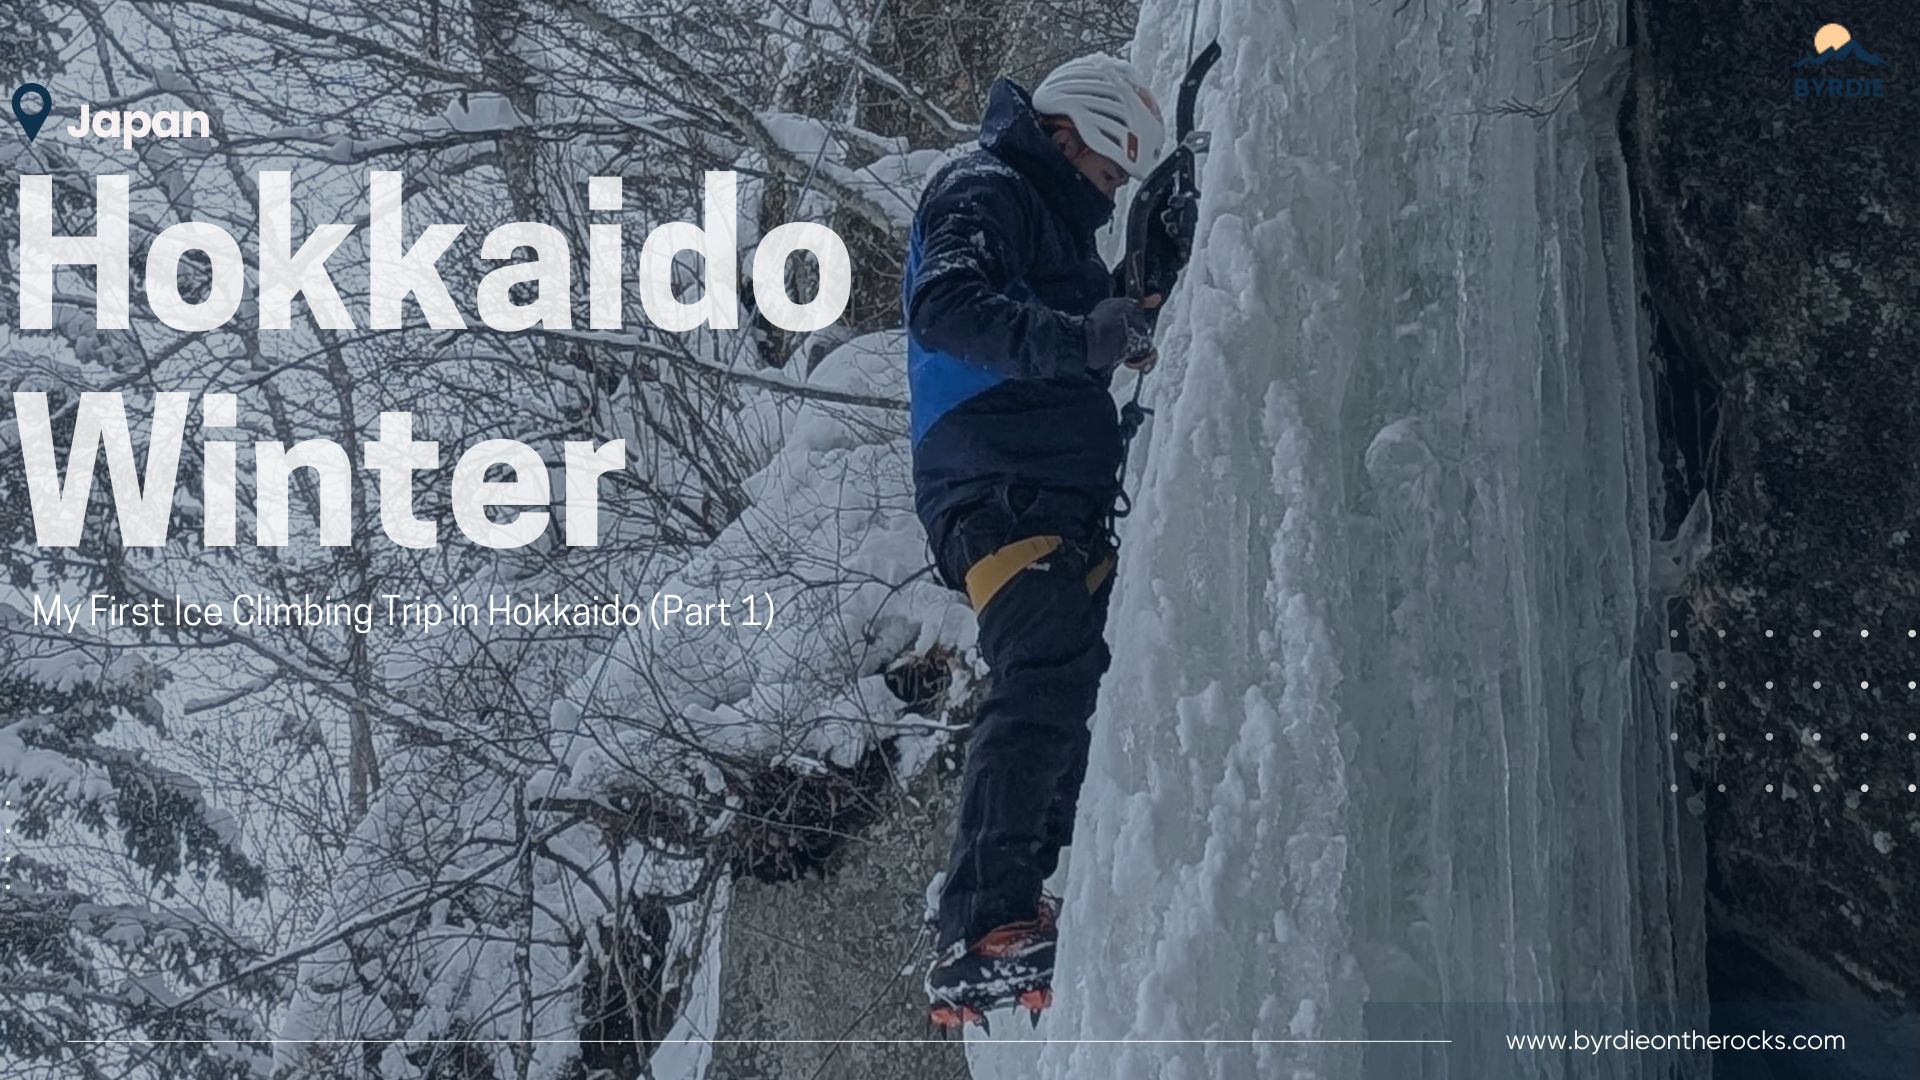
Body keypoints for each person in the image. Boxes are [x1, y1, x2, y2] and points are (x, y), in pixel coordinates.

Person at [901, 52, 1175, 1025]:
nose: (1107, 196)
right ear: (1064, 139)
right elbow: (947, 306)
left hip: (1047, 490)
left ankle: (1026, 897)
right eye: (1106, 175)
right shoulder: (986, 187)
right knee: (1045, 671)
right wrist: (1079, 337)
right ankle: (982, 927)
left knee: (1081, 677)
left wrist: (1130, 302)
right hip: (996, 485)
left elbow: (1069, 330)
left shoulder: (1049, 225)